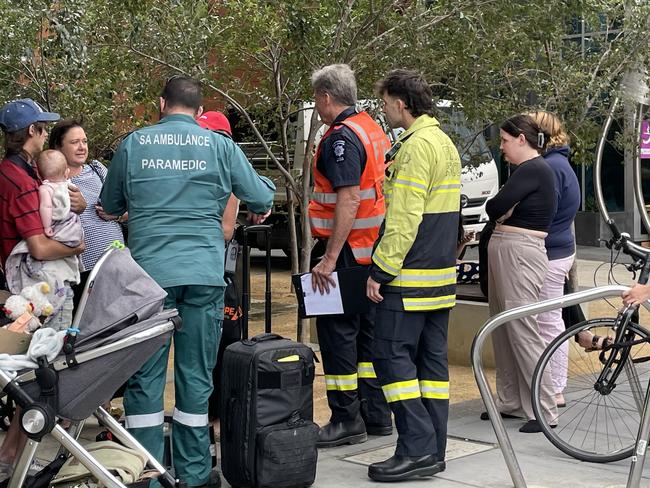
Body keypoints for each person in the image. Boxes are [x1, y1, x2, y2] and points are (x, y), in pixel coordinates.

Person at [99, 76, 275, 488]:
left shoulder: (134, 144)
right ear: (199, 112)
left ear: (162, 104)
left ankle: (144, 472)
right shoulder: (219, 146)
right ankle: (194, 474)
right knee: (196, 376)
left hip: (149, 281)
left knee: (145, 378)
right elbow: (261, 198)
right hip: (202, 275)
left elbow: (109, 206)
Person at [365, 69, 460, 482]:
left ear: (401, 103)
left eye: (385, 103)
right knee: (431, 371)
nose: (384, 111)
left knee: (390, 360)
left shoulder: (416, 147)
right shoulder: (443, 142)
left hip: (409, 279)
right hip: (439, 278)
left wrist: (380, 271)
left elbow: (404, 219)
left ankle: (417, 450)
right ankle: (432, 451)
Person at [0, 98, 85, 481]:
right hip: (37, 288)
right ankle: (17, 459)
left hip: (22, 287)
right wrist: (77, 246)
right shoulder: (18, 182)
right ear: (32, 133)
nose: (45, 134)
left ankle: (11, 454)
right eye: (42, 128)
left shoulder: (17, 174)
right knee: (40, 373)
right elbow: (39, 245)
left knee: (29, 377)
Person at [308, 63, 392, 448]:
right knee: (369, 338)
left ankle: (345, 418)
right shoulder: (372, 128)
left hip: (341, 254)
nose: (317, 105)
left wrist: (328, 258)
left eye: (316, 99)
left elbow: (348, 197)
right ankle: (377, 414)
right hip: (371, 251)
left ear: (326, 97)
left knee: (338, 338)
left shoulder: (341, 138)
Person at [484, 114, 558, 433]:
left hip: (520, 249)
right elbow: (498, 208)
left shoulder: (533, 169)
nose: (501, 147)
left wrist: (502, 210)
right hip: (510, 248)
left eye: (504, 140)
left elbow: (494, 206)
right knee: (503, 327)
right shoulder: (528, 170)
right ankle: (512, 400)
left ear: (521, 140)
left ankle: (543, 409)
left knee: (522, 328)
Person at [528, 111, 580, 408]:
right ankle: (553, 386)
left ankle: (555, 387)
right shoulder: (559, 163)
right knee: (549, 320)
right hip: (558, 250)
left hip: (550, 253)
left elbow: (545, 214)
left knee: (548, 322)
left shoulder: (550, 168)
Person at [48, 119, 125, 311]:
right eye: (75, 142)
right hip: (84, 272)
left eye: (85, 141)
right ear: (58, 146)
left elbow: (129, 209)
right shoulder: (52, 181)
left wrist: (114, 215)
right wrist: (77, 207)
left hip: (118, 264)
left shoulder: (98, 170)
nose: (82, 147)